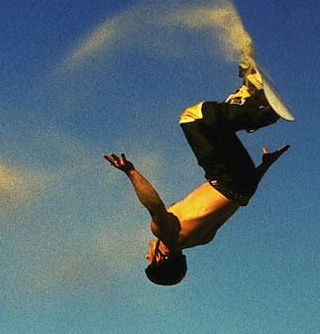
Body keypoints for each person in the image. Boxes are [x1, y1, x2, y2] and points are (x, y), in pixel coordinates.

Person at [104, 61, 290, 285]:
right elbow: (154, 206)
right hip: (227, 178)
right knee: (192, 118)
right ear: (160, 258)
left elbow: (241, 198)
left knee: (215, 126)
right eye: (148, 260)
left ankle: (250, 98)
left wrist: (264, 166)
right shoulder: (165, 233)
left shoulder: (202, 239)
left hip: (243, 182)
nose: (145, 255)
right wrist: (131, 172)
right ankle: (260, 110)